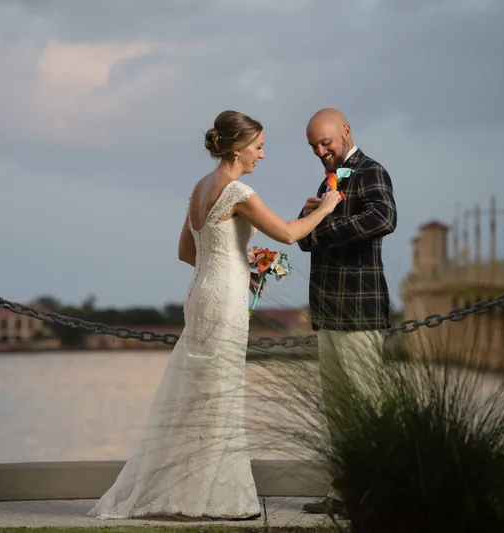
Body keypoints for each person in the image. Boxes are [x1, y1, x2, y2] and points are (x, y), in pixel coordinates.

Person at [88, 110, 342, 521]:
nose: (263, 154)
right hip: (224, 301)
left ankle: (190, 490)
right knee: (221, 393)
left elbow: (186, 252)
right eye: (259, 147)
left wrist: (238, 267)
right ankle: (220, 498)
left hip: (202, 293)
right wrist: (327, 206)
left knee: (200, 392)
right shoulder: (239, 193)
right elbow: (291, 234)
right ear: (239, 148)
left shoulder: (199, 188)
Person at [296, 108, 397, 516]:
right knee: (338, 409)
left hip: (360, 312)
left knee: (368, 405)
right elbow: (303, 240)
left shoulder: (373, 170)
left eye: (326, 142)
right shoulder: (328, 181)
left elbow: (384, 217)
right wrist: (310, 217)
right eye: (314, 147)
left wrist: (321, 226)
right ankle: (345, 493)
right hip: (328, 311)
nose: (321, 151)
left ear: (346, 132)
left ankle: (380, 497)